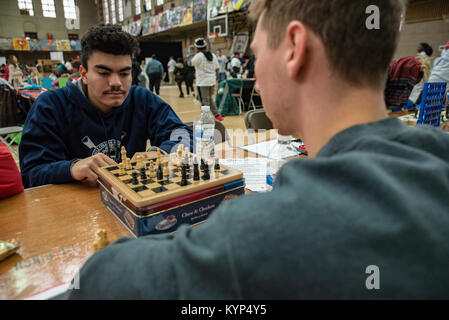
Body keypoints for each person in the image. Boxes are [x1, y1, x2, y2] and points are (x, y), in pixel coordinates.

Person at [59, 0, 449, 300]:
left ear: (295, 48)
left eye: (259, 55)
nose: (256, 82)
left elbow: (98, 281)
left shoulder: (266, 232)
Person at [19, 24, 192, 189]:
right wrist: (71, 168)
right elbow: (30, 174)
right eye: (103, 73)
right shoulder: (50, 106)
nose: (116, 83)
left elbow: (185, 136)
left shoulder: (141, 98)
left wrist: (161, 152)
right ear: (84, 74)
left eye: (124, 73)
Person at [191, 37, 224, 121]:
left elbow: (190, 63)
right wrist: (215, 79)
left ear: (197, 47)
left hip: (202, 82)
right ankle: (217, 115)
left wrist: (191, 52)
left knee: (204, 101)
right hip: (211, 81)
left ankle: (205, 119)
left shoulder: (198, 56)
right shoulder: (213, 55)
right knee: (209, 99)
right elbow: (217, 69)